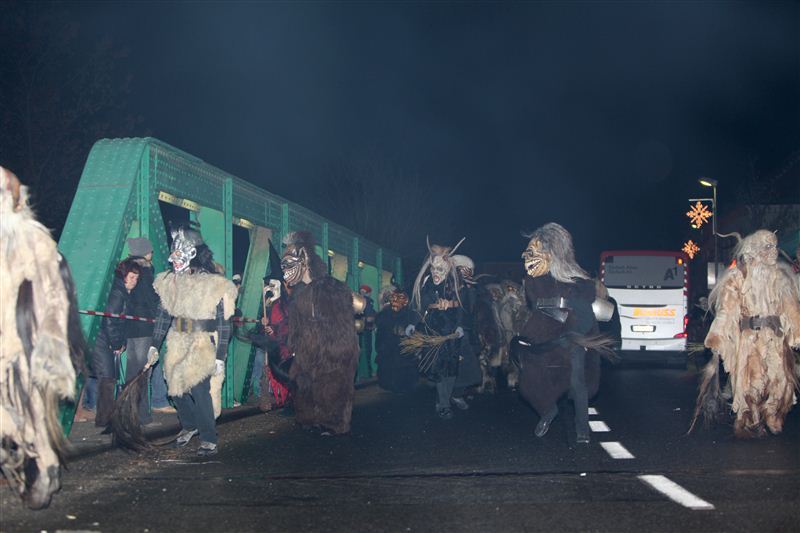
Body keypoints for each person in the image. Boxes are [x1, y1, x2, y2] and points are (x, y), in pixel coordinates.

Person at [0, 166, 84, 509]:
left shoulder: (31, 238)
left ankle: (45, 463)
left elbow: (54, 294)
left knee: (30, 412)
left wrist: (50, 344)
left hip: (21, 346)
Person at [693, 230, 800, 438]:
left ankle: (773, 412)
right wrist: (717, 336)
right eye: (768, 247)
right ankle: (750, 418)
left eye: (775, 246)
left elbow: (791, 308)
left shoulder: (782, 277)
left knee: (779, 380)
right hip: (748, 340)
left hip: (775, 339)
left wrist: (796, 332)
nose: (773, 251)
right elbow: (726, 310)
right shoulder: (737, 277)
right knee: (750, 382)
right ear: (755, 250)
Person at [145, 225, 238, 456]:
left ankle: (209, 438)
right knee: (174, 386)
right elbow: (163, 317)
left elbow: (224, 323)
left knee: (198, 388)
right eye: (173, 254)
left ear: (193, 254)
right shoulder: (170, 283)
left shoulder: (214, 284)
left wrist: (221, 356)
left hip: (202, 342)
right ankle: (189, 425)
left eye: (179, 254)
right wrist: (154, 345)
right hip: (178, 340)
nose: (173, 260)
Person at [511, 223, 608, 444]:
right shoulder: (536, 281)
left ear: (552, 252)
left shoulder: (576, 283)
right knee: (531, 379)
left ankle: (582, 430)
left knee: (576, 382)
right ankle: (548, 411)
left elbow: (585, 315)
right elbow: (538, 310)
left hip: (571, 339)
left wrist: (574, 337)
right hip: (545, 338)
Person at [282, 230, 361, 435]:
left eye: (289, 264)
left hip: (332, 349)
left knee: (332, 385)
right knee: (304, 384)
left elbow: (343, 320)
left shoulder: (331, 288)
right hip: (307, 350)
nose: (285, 271)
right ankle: (310, 418)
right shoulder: (299, 293)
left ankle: (333, 423)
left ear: (304, 259)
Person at [410, 237, 469, 420]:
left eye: (440, 269)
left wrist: (460, 326)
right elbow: (420, 306)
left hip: (451, 332)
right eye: (433, 268)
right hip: (433, 331)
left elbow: (462, 307)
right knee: (438, 369)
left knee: (450, 370)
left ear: (448, 268)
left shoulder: (455, 284)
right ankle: (444, 405)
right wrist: (413, 323)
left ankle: (443, 399)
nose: (436, 272)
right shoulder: (427, 283)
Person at [124, 237, 171, 424]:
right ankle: (142, 417)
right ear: (146, 252)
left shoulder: (126, 269)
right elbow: (151, 299)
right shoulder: (144, 270)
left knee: (132, 372)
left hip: (131, 328)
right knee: (144, 371)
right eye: (150, 250)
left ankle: (128, 413)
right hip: (145, 328)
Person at [92, 258, 141, 429]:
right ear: (123, 276)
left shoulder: (121, 291)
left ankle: (105, 417)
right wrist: (116, 344)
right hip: (103, 339)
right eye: (132, 277)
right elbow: (111, 321)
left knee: (108, 377)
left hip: (104, 338)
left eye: (137, 278)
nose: (135, 281)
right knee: (107, 377)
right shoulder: (118, 294)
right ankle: (105, 419)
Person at [450, 254, 483, 409]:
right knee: (464, 365)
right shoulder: (450, 288)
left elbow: (471, 308)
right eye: (465, 270)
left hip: (468, 331)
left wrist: (470, 288)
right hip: (455, 331)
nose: (468, 274)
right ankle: (453, 395)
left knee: (468, 365)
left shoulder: (469, 288)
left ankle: (457, 393)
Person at [375, 289, 420, 392]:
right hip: (388, 348)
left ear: (405, 301)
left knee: (402, 369)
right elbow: (380, 332)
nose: (395, 300)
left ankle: (402, 384)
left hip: (402, 351)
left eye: (399, 298)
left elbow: (413, 328)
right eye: (393, 298)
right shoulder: (384, 314)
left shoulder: (410, 315)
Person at [358, 284, 377, 376]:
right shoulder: (368, 301)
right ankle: (368, 372)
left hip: (358, 330)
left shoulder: (357, 301)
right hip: (366, 330)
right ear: (369, 293)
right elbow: (370, 318)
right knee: (367, 350)